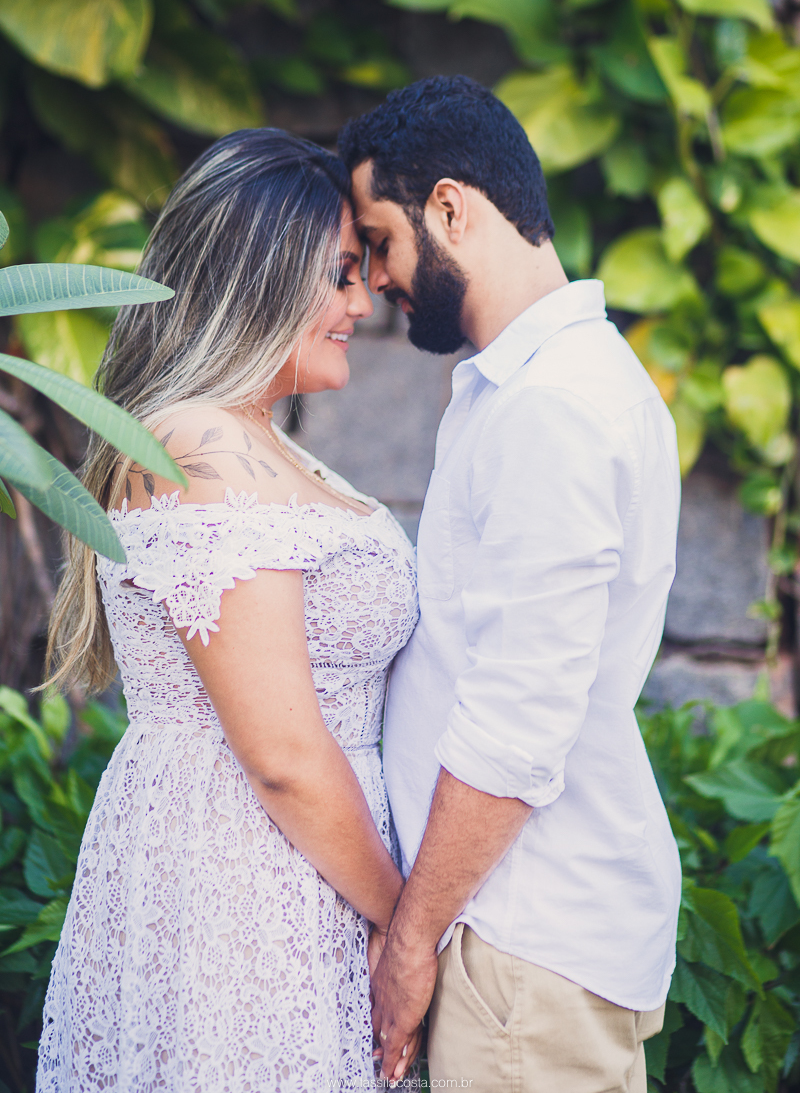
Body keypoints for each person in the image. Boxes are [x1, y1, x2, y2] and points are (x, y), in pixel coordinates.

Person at [36, 129, 422, 1091]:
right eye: (340, 275)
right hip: (245, 879)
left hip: (302, 872)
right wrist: (405, 923)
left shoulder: (250, 441)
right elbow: (282, 754)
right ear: (261, 274)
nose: (361, 303)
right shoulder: (197, 445)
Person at [339, 75, 682, 1091]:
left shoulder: (552, 408)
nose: (376, 280)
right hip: (515, 936)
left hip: (520, 946)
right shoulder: (543, 386)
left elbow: (518, 718)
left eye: (380, 242)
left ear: (450, 209)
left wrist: (411, 942)